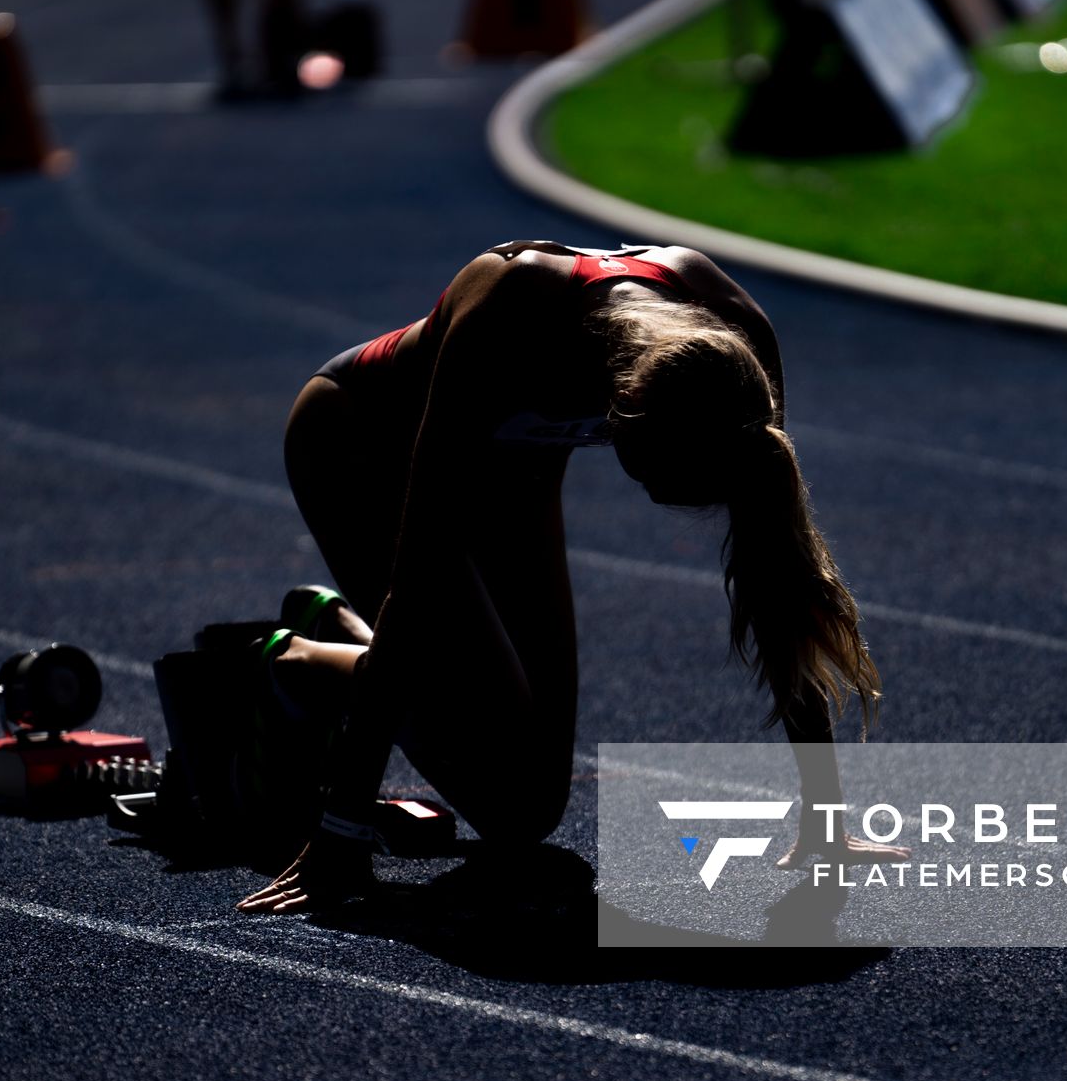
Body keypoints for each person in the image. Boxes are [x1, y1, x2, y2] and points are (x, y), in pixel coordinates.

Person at [236, 241, 908, 915]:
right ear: (620, 406)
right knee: (484, 743)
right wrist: (342, 830)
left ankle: (340, 634)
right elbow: (415, 583)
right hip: (361, 445)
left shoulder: (735, 344)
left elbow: (778, 577)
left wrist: (826, 818)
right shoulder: (514, 304)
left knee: (526, 810)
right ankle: (297, 663)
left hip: (517, 468)